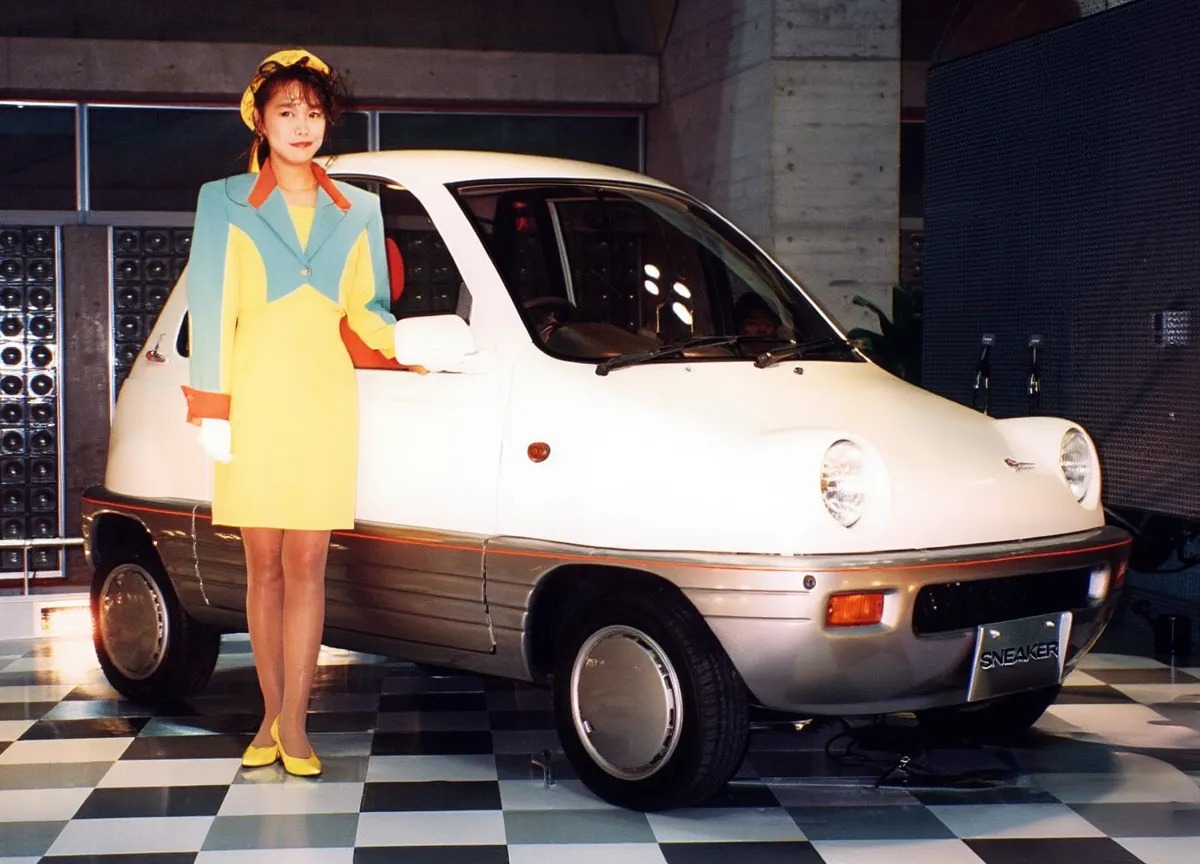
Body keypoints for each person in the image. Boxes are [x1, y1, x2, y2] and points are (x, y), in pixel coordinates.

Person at [181, 49, 399, 777]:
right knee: (263, 566)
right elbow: (210, 308)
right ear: (261, 121)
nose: (302, 125)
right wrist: (213, 408)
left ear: (327, 119)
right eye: (286, 112)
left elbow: (369, 311)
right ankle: (268, 716)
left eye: (312, 112)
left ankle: (296, 725)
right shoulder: (223, 200)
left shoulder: (361, 209)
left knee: (308, 564)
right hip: (252, 400)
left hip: (323, 401)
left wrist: (413, 344)